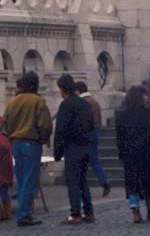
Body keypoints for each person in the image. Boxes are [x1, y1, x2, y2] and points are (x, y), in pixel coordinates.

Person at [2, 71, 52, 227]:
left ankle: (24, 213)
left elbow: (6, 123)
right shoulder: (38, 101)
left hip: (16, 142)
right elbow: (45, 125)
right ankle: (24, 214)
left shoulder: (12, 102)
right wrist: (43, 138)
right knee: (30, 180)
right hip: (31, 142)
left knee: (22, 178)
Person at [115, 85, 150, 223]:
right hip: (148, 153)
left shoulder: (121, 116)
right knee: (149, 181)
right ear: (141, 97)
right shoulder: (149, 114)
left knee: (133, 183)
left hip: (130, 153)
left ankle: (135, 210)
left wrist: (121, 152)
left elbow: (120, 138)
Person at [54, 73, 96, 225]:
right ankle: (89, 212)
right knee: (83, 180)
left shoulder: (66, 104)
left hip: (73, 147)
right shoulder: (84, 104)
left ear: (62, 89)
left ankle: (75, 213)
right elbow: (91, 125)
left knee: (72, 181)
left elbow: (61, 130)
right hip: (86, 146)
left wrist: (57, 152)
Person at [75, 81, 111, 196]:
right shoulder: (94, 101)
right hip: (94, 134)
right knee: (95, 161)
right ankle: (104, 182)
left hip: (84, 135)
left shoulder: (82, 103)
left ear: (78, 91)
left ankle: (81, 187)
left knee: (80, 162)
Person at [0, 116, 13, 222]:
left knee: (5, 193)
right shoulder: (5, 138)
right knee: (5, 193)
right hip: (5, 171)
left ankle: (6, 213)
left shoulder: (3, 140)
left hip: (3, 171)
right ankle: (6, 213)